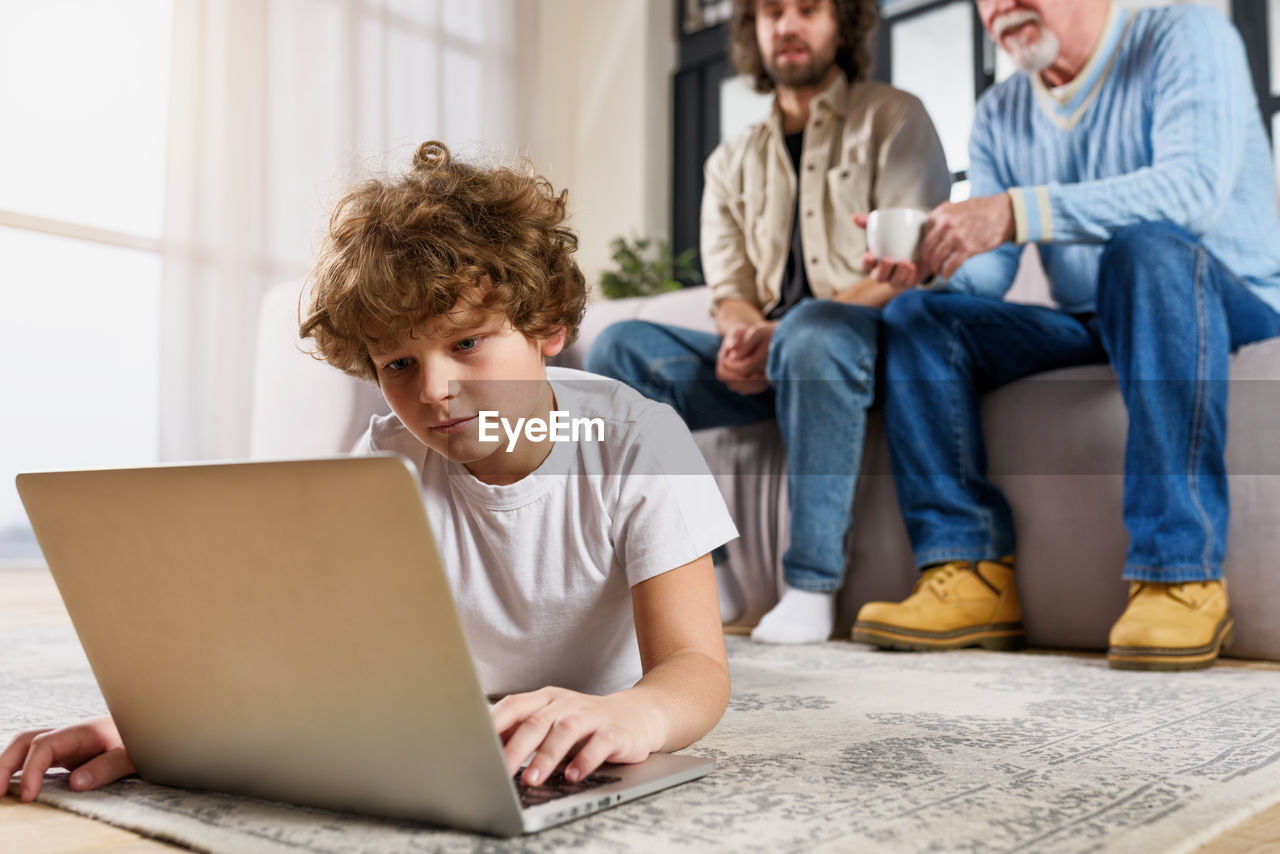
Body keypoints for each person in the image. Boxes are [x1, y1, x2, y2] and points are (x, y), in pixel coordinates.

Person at [1, 140, 738, 801]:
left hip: (586, 735)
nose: (433, 390)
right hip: (449, 734)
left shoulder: (639, 439)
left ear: (548, 326)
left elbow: (696, 669)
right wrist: (160, 727)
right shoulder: (388, 459)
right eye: (399, 363)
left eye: (469, 344)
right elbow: (313, 651)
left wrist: (631, 713)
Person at [851, 0, 1280, 669]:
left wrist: (1017, 210)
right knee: (920, 318)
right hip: (1100, 314)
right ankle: (971, 573)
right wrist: (932, 262)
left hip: (1226, 294)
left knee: (1144, 250)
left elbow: (1192, 191)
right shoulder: (1000, 113)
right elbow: (990, 274)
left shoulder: (1184, 33)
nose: (999, 8)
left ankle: (1180, 574)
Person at [586, 0, 951, 644]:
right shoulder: (730, 161)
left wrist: (783, 335)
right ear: (752, 30)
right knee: (620, 348)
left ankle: (811, 586)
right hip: (771, 354)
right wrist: (744, 336)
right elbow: (727, 290)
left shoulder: (895, 118)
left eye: (808, 9)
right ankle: (705, 575)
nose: (786, 25)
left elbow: (910, 266)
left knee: (811, 333)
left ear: (842, 22)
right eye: (771, 12)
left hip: (856, 347)